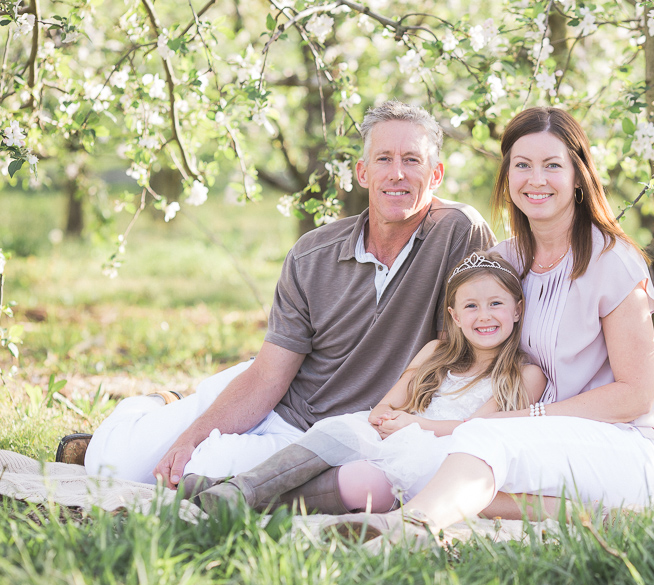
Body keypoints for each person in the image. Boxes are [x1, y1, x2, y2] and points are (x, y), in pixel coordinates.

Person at [79, 101, 496, 496]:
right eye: (384, 159)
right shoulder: (312, 253)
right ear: (363, 172)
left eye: (412, 160)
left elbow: (452, 350)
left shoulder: (457, 232)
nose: (397, 174)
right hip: (274, 402)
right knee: (110, 467)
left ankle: (173, 424)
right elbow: (267, 376)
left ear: (436, 174)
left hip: (332, 435)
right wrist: (188, 436)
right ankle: (158, 407)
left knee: (191, 476)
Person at [326, 106, 654, 540]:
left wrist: (530, 417)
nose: (536, 179)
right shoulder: (503, 264)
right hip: (532, 440)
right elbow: (459, 350)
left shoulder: (611, 262)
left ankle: (407, 529)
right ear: (507, 177)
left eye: (552, 165)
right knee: (434, 458)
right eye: (522, 165)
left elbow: (636, 395)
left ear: (579, 177)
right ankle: (582, 513)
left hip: (617, 445)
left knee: (481, 443)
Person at [181, 251, 547, 514]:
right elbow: (389, 403)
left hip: (442, 456)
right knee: (343, 430)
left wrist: (414, 424)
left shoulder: (523, 374)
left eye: (496, 303)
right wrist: (386, 417)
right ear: (453, 315)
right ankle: (240, 488)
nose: (484, 316)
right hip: (398, 432)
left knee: (367, 483)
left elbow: (476, 429)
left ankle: (231, 494)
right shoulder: (436, 351)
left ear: (517, 309)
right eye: (471, 307)